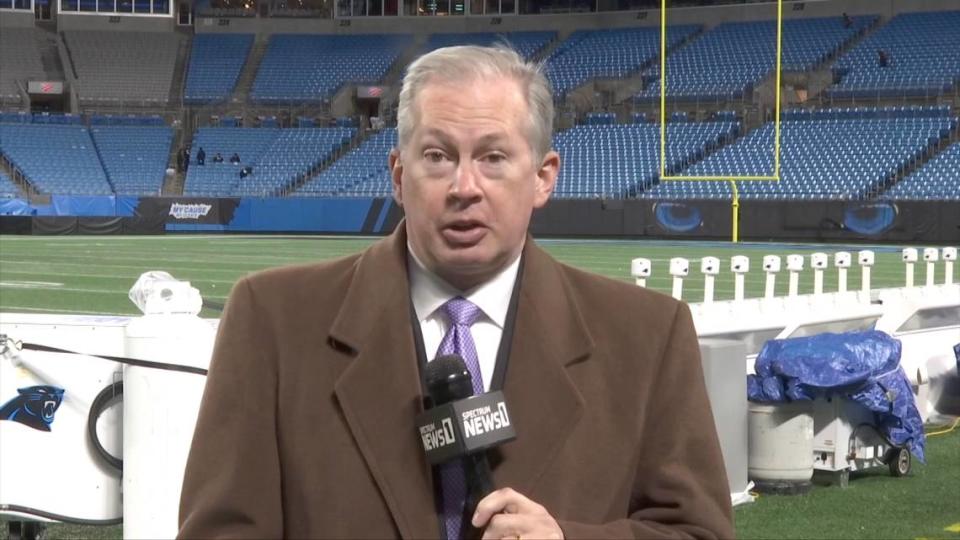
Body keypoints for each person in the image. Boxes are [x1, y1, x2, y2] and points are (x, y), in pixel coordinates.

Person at [178, 45, 733, 540]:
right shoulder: (274, 320)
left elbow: (696, 531)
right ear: (398, 175)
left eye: (493, 157)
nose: (464, 188)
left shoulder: (647, 334)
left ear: (543, 177)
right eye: (438, 156)